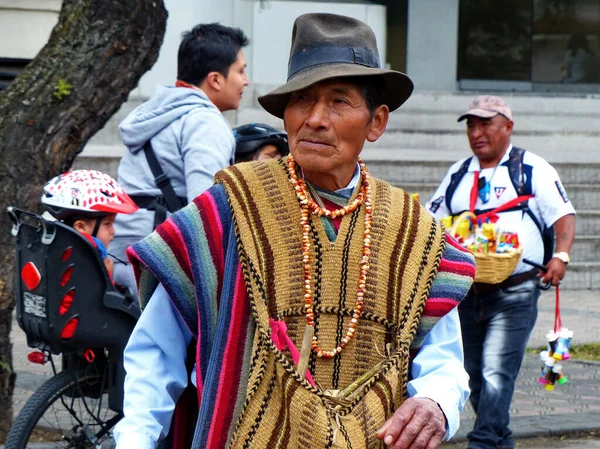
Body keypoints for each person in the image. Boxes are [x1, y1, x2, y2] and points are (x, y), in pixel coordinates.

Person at [114, 13, 476, 449]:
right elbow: (157, 349)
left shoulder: (412, 231)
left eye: (339, 101)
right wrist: (134, 439)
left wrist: (437, 401)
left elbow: (444, 360)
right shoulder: (228, 208)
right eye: (302, 99)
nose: (316, 119)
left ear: (376, 122)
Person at [426, 95, 576, 449]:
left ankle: (483, 441)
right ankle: (499, 439)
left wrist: (562, 256)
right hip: (466, 291)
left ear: (507, 126)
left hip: (516, 291)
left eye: (485, 124)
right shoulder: (458, 173)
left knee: (496, 374)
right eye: (471, 125)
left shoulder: (532, 168)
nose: (476, 133)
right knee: (474, 377)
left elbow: (563, 216)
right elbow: (429, 221)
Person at [109, 23, 249, 297]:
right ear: (215, 79)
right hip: (157, 263)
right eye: (241, 71)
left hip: (124, 251)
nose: (246, 81)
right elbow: (207, 211)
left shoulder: (157, 111)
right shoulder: (205, 122)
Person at [41, 169, 139, 279]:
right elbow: (94, 296)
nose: (113, 231)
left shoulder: (58, 249)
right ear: (81, 227)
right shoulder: (86, 262)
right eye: (107, 224)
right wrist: (105, 276)